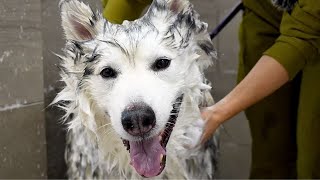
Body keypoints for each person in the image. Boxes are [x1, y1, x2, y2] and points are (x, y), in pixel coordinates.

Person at [102, 0, 320, 178]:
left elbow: (303, 35)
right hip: (263, 6)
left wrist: (217, 113)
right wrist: (104, 44)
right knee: (269, 142)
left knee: (313, 156)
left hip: (313, 15)